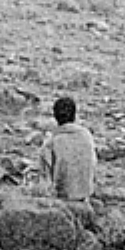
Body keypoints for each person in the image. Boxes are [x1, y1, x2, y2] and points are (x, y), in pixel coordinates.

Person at [40, 95, 98, 226]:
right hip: (84, 197)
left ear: (55, 117)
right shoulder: (86, 135)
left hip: (62, 203)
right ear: (75, 115)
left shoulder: (51, 142)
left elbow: (45, 179)